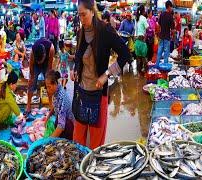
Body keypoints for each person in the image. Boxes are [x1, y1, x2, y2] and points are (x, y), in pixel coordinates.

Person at [72, 0, 131, 149]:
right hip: (81, 93)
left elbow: (125, 54)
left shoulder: (105, 31)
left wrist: (106, 74)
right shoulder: (80, 33)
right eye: (79, 16)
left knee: (96, 145)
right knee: (77, 141)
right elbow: (79, 58)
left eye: (84, 15)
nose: (82, 19)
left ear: (92, 11)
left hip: (98, 95)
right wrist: (75, 70)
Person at [26, 38, 54, 113]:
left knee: (49, 84)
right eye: (38, 61)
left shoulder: (51, 49)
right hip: (35, 67)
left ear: (45, 55)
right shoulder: (33, 49)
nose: (39, 63)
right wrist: (31, 77)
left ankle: (50, 103)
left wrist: (48, 78)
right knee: (31, 84)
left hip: (46, 66)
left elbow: (50, 66)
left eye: (40, 61)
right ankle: (28, 105)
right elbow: (31, 64)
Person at [44, 70, 74, 139]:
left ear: (55, 83)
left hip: (68, 126)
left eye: (49, 87)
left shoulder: (62, 98)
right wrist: (47, 118)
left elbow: (61, 127)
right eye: (47, 87)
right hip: (62, 120)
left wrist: (48, 141)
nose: (48, 90)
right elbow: (55, 106)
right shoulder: (57, 91)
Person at [156, 0, 174, 67]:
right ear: (169, 6)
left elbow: (159, 25)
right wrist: (174, 34)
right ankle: (165, 66)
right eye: (171, 7)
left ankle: (157, 65)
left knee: (160, 50)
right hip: (167, 37)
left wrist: (158, 33)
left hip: (161, 36)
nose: (171, 8)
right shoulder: (170, 16)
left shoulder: (162, 14)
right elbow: (172, 29)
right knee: (166, 52)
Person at [135, 5, 149, 74]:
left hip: (137, 41)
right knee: (144, 58)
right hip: (142, 39)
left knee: (138, 59)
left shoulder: (137, 18)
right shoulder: (143, 18)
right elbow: (147, 28)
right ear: (143, 11)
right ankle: (146, 74)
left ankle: (139, 74)